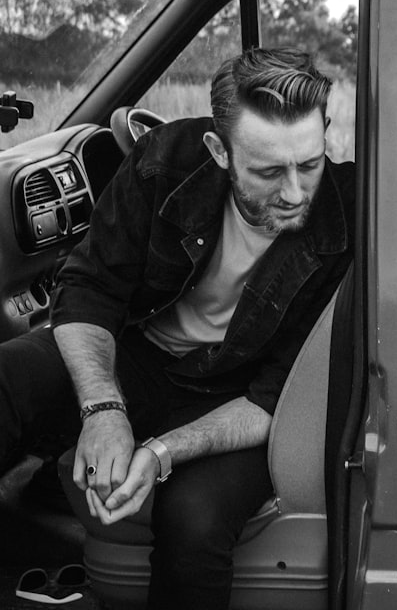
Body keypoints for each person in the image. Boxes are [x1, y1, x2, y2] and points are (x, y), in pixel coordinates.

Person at [0, 47, 354, 610]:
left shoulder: (349, 217)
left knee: (195, 518)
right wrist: (103, 409)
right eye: (267, 171)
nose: (293, 192)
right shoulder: (163, 161)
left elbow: (277, 392)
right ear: (218, 151)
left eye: (309, 164)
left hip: (242, 392)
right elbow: (90, 286)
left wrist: (161, 452)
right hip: (138, 358)